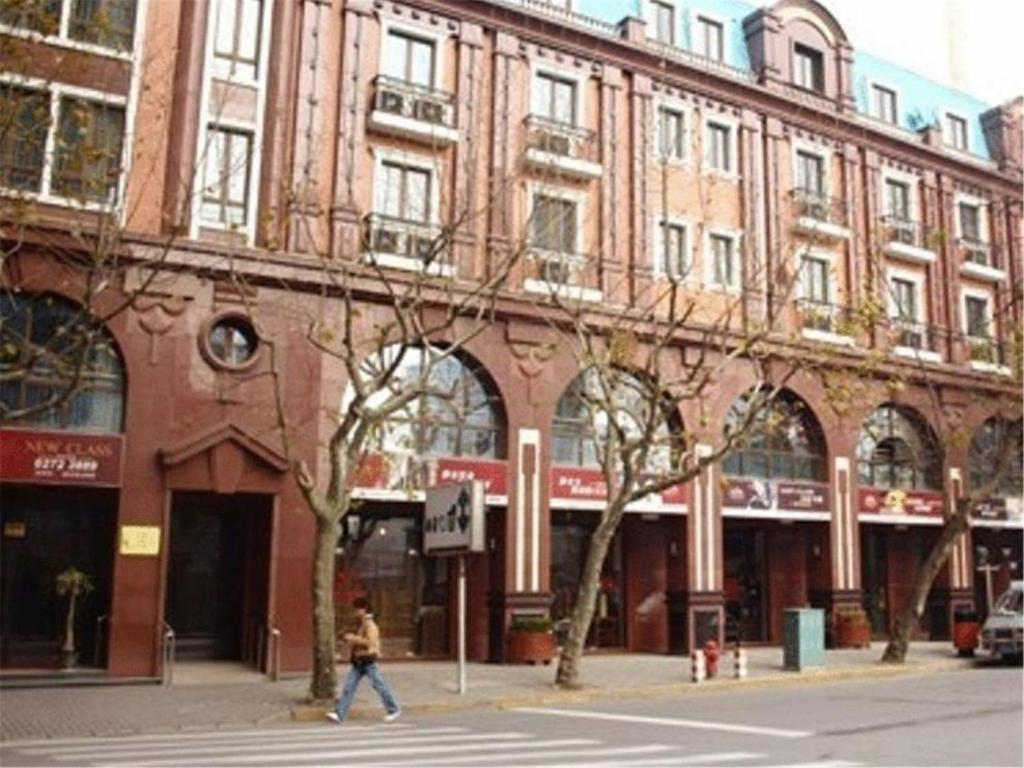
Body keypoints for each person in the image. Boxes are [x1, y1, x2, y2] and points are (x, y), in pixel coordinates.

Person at [327, 597, 401, 724]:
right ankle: (339, 714)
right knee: (349, 687)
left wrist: (352, 638)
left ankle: (393, 709)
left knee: (379, 685)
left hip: (367, 660)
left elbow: (370, 642)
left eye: (357, 609)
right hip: (359, 661)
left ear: (363, 609)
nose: (355, 612)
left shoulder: (370, 625)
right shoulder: (363, 624)